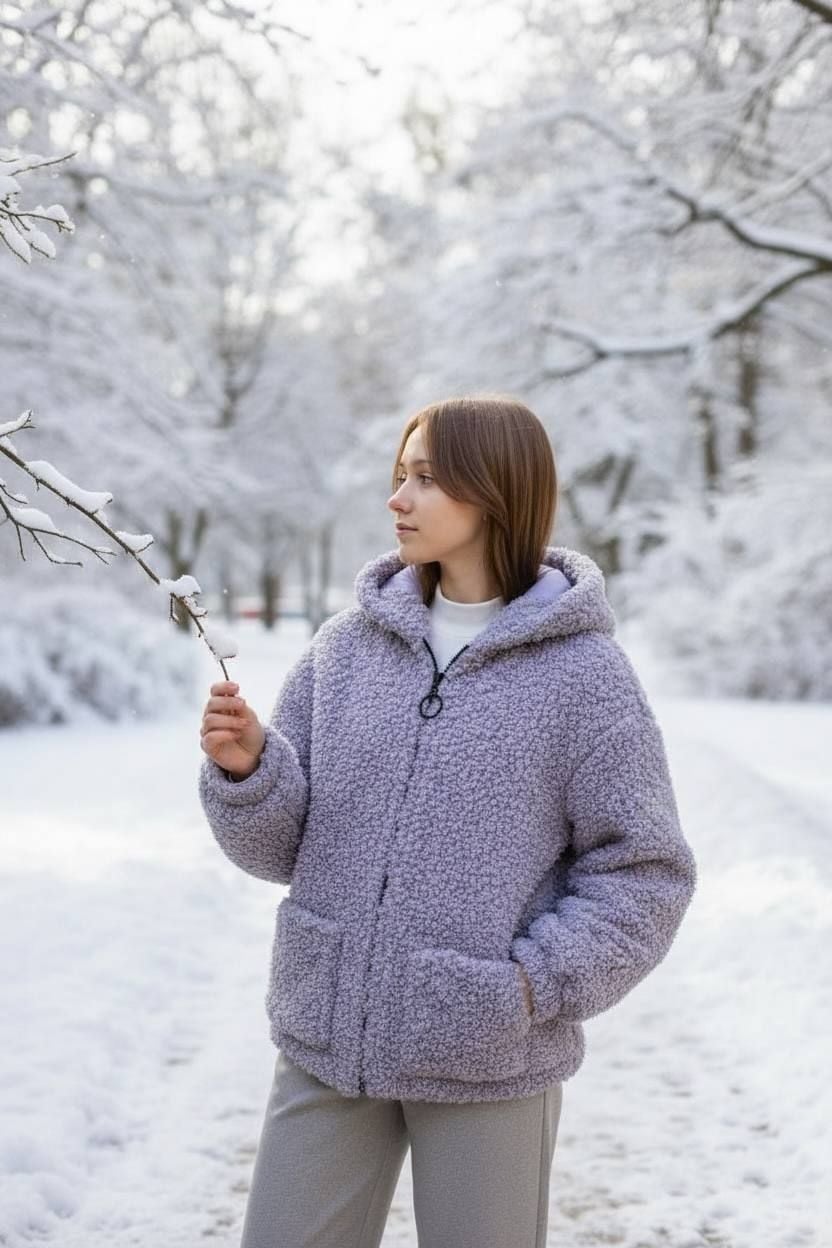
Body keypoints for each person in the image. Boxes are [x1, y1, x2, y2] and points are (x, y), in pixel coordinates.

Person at [198, 393, 698, 1248]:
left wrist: (527, 988)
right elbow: (281, 849)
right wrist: (249, 771)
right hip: (328, 1039)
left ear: (496, 490)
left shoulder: (585, 679)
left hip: (488, 1056)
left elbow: (645, 874)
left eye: (425, 479)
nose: (397, 498)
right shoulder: (344, 651)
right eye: (400, 475)